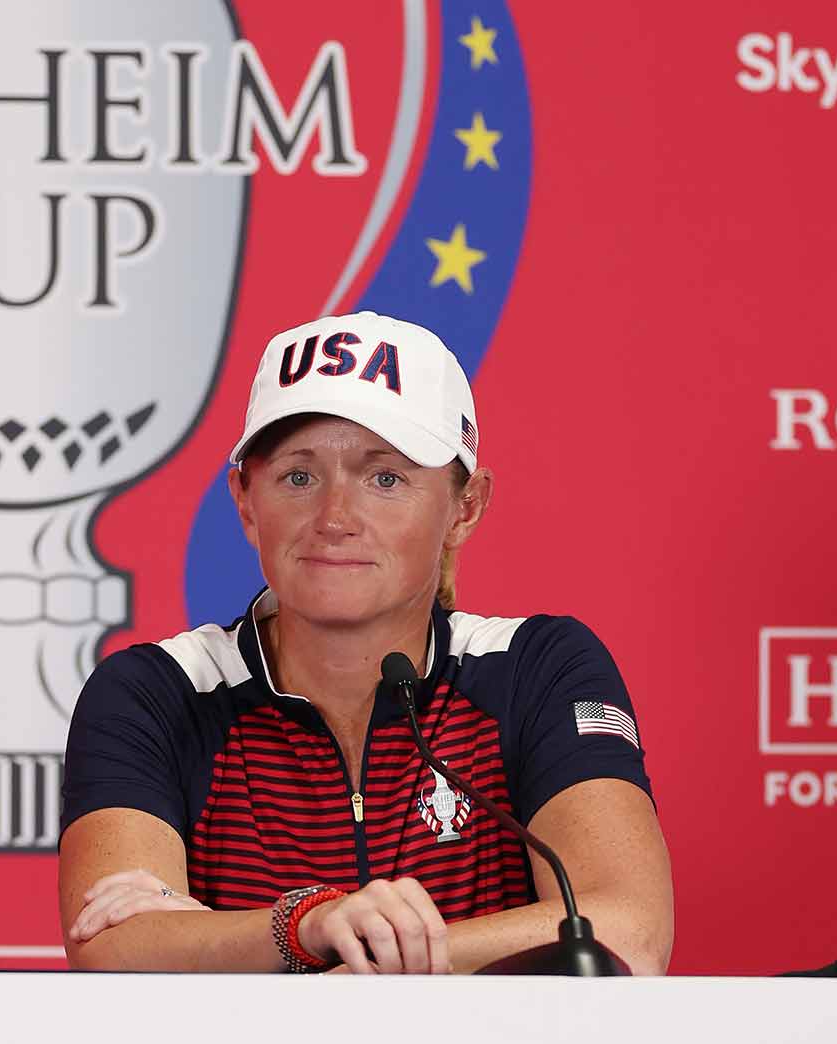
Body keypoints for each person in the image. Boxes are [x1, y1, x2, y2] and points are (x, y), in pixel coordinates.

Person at [58, 311, 673, 974]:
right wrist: (308, 923)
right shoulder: (156, 692)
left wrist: (343, 974)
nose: (335, 519)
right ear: (244, 500)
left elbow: (626, 931)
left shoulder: (536, 669)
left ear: (465, 508)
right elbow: (114, 951)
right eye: (298, 476)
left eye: (385, 478)